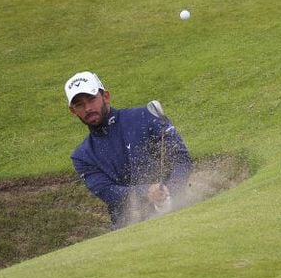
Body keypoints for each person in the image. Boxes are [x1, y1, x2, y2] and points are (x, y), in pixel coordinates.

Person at [64, 71, 192, 230]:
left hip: (180, 211)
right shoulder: (82, 156)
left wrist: (169, 191)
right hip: (129, 230)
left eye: (91, 99)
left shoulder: (145, 116)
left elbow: (180, 158)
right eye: (79, 105)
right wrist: (147, 192)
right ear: (73, 111)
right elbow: (109, 192)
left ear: (106, 97)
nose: (88, 108)